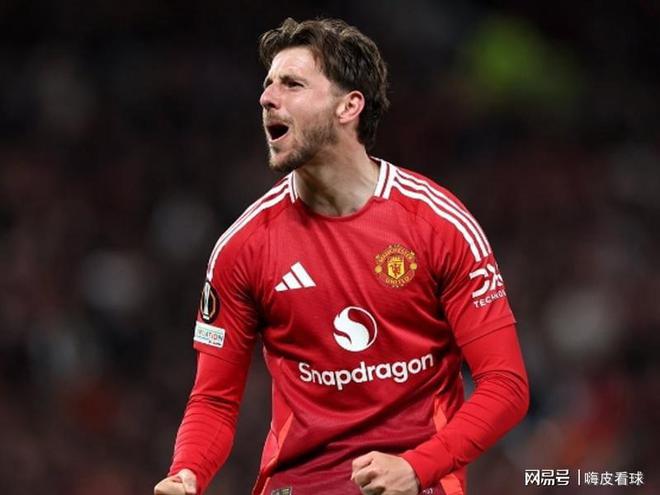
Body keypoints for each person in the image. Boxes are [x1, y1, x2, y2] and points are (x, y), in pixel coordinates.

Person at [154, 17, 529, 495]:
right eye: (268, 85)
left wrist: (417, 467)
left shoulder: (437, 224)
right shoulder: (243, 247)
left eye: (292, 84)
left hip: (415, 483)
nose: (267, 98)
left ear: (349, 106)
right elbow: (214, 400)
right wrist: (188, 471)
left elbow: (505, 385)